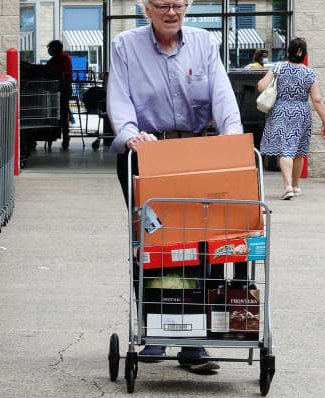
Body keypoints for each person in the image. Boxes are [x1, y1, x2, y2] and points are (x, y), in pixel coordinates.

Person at [107, 0, 244, 373]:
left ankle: (193, 341)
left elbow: (222, 95)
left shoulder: (203, 43)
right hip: (148, 154)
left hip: (196, 150)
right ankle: (154, 331)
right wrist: (131, 135)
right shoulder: (125, 46)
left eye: (179, 4)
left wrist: (232, 135)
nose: (171, 12)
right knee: (154, 242)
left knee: (203, 244)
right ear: (146, 9)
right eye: (162, 5)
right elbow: (119, 99)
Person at [258, 38, 325, 200]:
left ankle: (288, 187)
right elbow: (317, 99)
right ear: (303, 54)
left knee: (285, 150)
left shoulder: (278, 67)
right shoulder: (309, 73)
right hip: (301, 112)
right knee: (298, 151)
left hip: (281, 111)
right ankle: (295, 185)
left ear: (288, 52)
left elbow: (261, 87)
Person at [45, 40, 73, 149]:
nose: (49, 51)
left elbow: (58, 73)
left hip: (63, 90)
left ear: (55, 49)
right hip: (57, 89)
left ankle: (65, 137)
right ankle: (60, 136)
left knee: (62, 114)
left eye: (50, 48)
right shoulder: (56, 59)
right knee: (59, 114)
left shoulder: (63, 59)